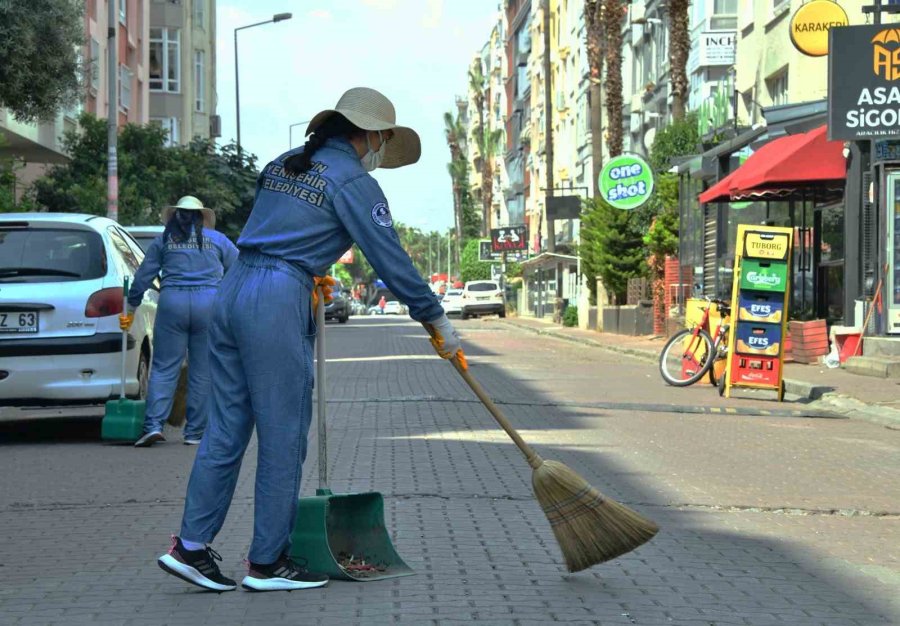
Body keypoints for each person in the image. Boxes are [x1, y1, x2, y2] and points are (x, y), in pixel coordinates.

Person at [156, 88, 464, 593]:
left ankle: (191, 548)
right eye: (382, 140)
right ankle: (268, 563)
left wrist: (310, 264)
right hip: (277, 297)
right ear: (369, 135)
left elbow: (280, 226)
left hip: (232, 290)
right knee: (283, 436)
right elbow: (390, 259)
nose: (380, 151)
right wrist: (436, 320)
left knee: (226, 430)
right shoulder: (354, 182)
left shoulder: (283, 163)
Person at [121, 196, 238, 447]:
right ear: (202, 217)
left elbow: (144, 275)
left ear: (174, 217)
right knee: (203, 370)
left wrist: (132, 303)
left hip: (172, 303)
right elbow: (239, 269)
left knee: (164, 367)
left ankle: (153, 426)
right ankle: (195, 432)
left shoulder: (163, 240)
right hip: (209, 304)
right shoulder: (218, 240)